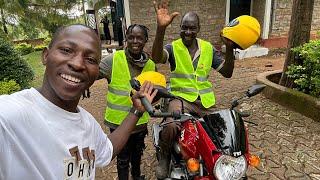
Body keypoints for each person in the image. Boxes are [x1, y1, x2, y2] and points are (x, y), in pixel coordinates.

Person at [0, 24, 157, 180]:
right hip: (114, 120)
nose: (77, 64)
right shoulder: (9, 117)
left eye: (90, 59)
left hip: (137, 125)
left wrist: (137, 110)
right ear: (45, 56)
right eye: (67, 50)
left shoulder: (87, 124)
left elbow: (107, 150)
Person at [151, 1, 236, 179]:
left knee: (220, 131)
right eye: (184, 28)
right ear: (180, 28)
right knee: (171, 125)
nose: (187, 32)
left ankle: (217, 163)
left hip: (205, 102)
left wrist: (229, 48)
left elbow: (227, 73)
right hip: (180, 99)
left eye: (192, 28)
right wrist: (161, 29)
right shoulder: (172, 48)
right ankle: (165, 157)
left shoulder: (207, 48)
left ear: (198, 29)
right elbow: (157, 57)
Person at [99, 24, 156, 180]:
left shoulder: (151, 65)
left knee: (137, 152)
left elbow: (153, 93)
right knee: (123, 158)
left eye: (139, 38)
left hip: (139, 121)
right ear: (126, 39)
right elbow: (92, 73)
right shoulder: (113, 60)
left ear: (146, 40)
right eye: (131, 37)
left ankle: (137, 177)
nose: (135, 41)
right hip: (118, 123)